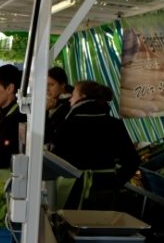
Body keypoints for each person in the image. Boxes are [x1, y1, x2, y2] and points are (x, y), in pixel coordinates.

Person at [49, 80, 140, 210]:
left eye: (73, 95)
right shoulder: (114, 124)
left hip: (74, 190)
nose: (70, 100)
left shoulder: (69, 124)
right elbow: (132, 161)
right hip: (106, 191)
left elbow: (56, 159)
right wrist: (115, 181)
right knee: (100, 227)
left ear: (83, 97)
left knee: (71, 227)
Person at [44, 66, 73, 146]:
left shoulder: (68, 104)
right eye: (45, 85)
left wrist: (46, 111)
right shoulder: (51, 101)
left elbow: (46, 135)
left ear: (63, 84)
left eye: (51, 85)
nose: (47, 89)